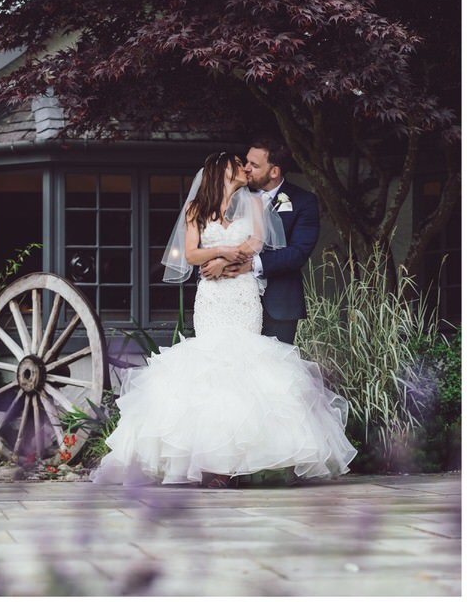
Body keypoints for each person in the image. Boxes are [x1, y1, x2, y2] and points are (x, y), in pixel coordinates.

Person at [92, 152, 355, 488]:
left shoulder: (256, 204)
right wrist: (224, 253)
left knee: (243, 366)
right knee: (211, 369)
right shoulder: (196, 209)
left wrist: (227, 262)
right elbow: (191, 254)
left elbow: (257, 243)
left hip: (243, 294)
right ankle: (212, 465)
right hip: (213, 299)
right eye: (238, 165)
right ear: (222, 172)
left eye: (247, 164)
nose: (245, 169)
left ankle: (238, 464)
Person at [200, 138, 319, 345]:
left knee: (273, 373)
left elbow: (298, 252)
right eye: (246, 162)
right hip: (227, 300)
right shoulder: (228, 196)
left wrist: (250, 264)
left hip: (279, 303)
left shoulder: (303, 202)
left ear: (274, 172)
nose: (246, 169)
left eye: (254, 165)